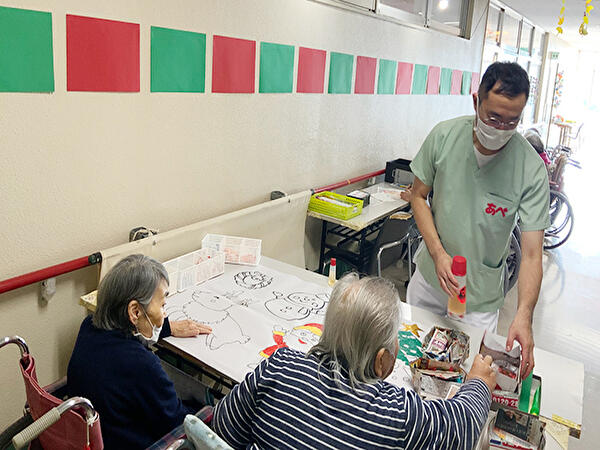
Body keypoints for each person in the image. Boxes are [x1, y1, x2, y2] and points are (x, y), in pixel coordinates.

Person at [213, 273, 496, 450]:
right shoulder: (397, 413)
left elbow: (222, 432)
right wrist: (479, 383)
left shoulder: (279, 365)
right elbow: (462, 427)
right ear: (381, 362)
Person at [407, 61, 550, 379]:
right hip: (431, 280)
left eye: (511, 121)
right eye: (493, 117)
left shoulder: (529, 168)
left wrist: (523, 314)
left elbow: (530, 253)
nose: (500, 129)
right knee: (412, 365)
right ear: (476, 102)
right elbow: (418, 196)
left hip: (479, 297)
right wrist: (437, 253)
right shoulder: (444, 137)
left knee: (462, 377)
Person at [67, 254, 212, 449]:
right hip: (133, 442)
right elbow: (178, 423)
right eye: (162, 305)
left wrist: (167, 327)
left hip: (93, 432)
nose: (164, 313)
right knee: (206, 408)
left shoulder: (88, 326)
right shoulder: (141, 365)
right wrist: (205, 411)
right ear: (135, 312)